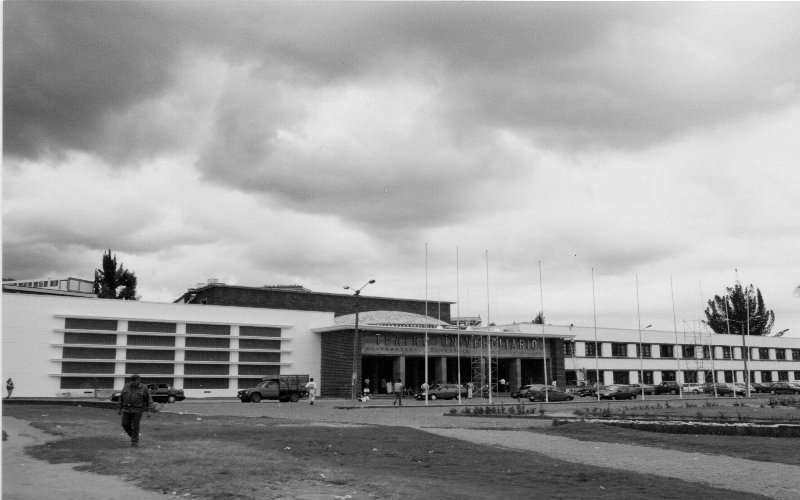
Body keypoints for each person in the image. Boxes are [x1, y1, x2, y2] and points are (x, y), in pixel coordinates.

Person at [118, 374, 154, 447]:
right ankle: (134, 436)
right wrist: (120, 408)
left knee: (135, 426)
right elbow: (121, 397)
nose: (133, 383)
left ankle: (134, 442)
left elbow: (149, 400)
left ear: (139, 381)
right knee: (124, 424)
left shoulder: (144, 388)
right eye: (132, 381)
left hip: (138, 410)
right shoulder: (126, 386)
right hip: (127, 409)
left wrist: (149, 411)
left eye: (135, 381)